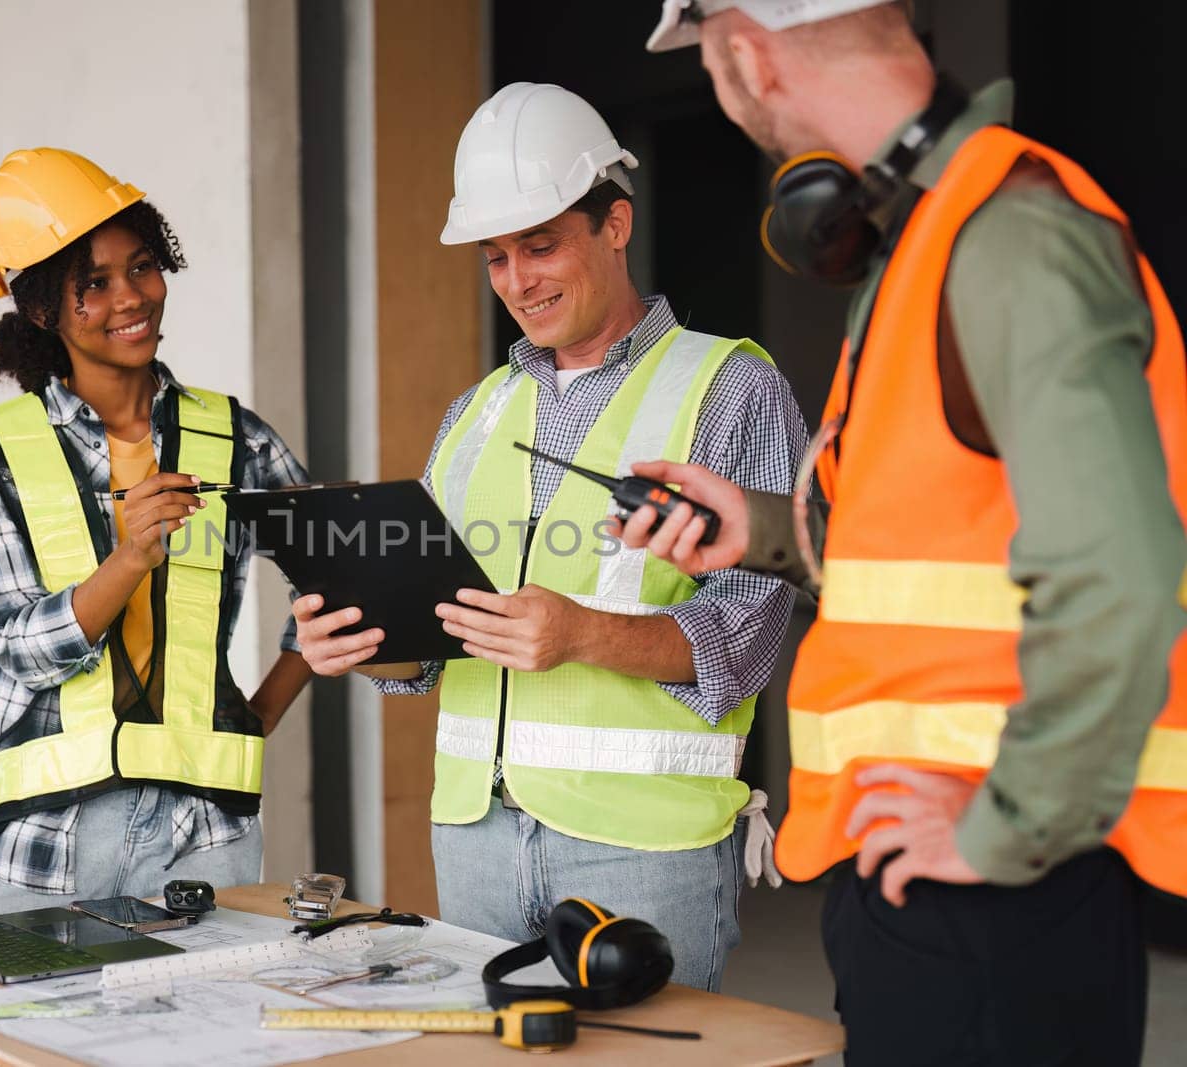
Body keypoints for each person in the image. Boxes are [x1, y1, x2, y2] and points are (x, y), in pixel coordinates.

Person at [627, 3, 1187, 1062]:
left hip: (995, 879)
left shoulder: (1006, 237)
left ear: (745, 50)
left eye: (707, 60)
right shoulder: (933, 239)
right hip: (923, 872)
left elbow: (1123, 570)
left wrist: (1004, 826)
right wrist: (762, 534)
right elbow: (946, 540)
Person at [294, 83, 806, 992]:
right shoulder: (478, 412)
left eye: (541, 245)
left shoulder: (728, 386)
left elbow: (757, 630)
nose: (517, 281)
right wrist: (356, 643)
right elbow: (426, 650)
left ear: (615, 224)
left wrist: (583, 634)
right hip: (475, 837)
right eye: (495, 257)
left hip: (644, 844)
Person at [0, 148, 313, 1064]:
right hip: (41, 838)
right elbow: (24, 645)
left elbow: (336, 583)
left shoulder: (234, 435)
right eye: (91, 282)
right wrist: (130, 556)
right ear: (38, 308)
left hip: (200, 836)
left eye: (140, 265)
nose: (128, 297)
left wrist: (254, 717)